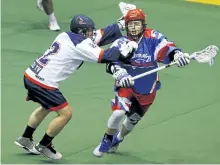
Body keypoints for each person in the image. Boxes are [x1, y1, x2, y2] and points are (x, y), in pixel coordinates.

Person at [14, 14, 138, 160]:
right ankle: (44, 145)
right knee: (66, 113)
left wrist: (121, 24)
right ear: (81, 32)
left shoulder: (66, 35)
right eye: (89, 31)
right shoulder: (81, 45)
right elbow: (105, 56)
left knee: (46, 106)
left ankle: (25, 139)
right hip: (43, 83)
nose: (92, 33)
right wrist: (124, 50)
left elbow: (99, 36)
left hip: (31, 75)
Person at [93, 8, 190, 158]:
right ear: (126, 25)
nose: (133, 27)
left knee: (131, 121)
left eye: (137, 23)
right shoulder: (121, 42)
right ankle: (107, 139)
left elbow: (167, 47)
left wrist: (177, 55)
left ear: (143, 24)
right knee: (118, 113)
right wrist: (120, 73)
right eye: (130, 24)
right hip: (127, 84)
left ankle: (118, 138)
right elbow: (111, 62)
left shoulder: (153, 37)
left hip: (147, 87)